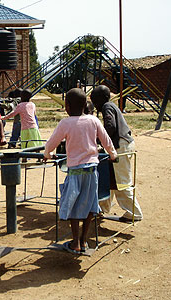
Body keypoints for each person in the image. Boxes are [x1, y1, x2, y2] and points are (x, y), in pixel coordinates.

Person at [44, 88, 117, 254]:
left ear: (66, 106)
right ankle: (84, 241)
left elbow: (52, 142)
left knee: (74, 204)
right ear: (86, 105)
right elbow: (106, 140)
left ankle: (75, 242)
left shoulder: (66, 123)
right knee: (91, 203)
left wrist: (47, 154)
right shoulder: (93, 120)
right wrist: (113, 154)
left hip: (76, 171)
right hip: (92, 170)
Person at [90, 85, 143, 222]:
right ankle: (101, 209)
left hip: (121, 147)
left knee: (121, 182)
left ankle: (134, 213)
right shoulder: (111, 106)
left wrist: (98, 139)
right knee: (109, 180)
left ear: (102, 99)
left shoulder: (107, 107)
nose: (95, 105)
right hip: (121, 145)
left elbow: (111, 127)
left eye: (95, 101)